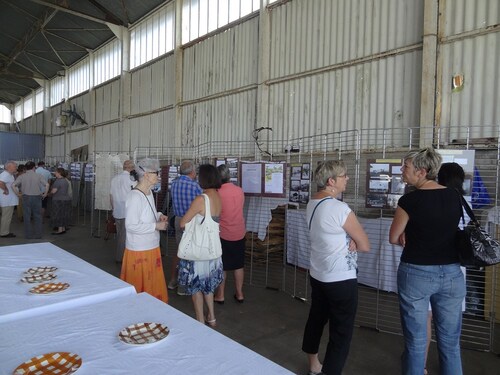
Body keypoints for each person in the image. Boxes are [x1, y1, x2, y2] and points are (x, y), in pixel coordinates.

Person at [389, 148, 465, 375]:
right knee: (451, 343)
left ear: (422, 172)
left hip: (417, 273)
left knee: (416, 341)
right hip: (452, 274)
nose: (402, 171)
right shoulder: (454, 195)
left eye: (406, 167)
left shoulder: (409, 200)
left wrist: (407, 234)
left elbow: (394, 237)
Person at [302, 160, 370, 375]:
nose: (347, 178)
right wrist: (352, 238)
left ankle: (314, 365)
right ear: (331, 181)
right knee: (341, 333)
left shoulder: (313, 203)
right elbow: (365, 245)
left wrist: (350, 237)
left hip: (318, 274)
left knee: (316, 318)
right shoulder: (339, 208)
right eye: (344, 175)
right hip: (340, 278)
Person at [422, 162, 468, 375]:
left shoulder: (430, 199)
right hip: (455, 269)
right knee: (450, 335)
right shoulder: (463, 202)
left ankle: (420, 366)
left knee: (424, 322)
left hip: (425, 266)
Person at [178, 164, 223, 327]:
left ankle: (200, 321)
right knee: (209, 287)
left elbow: (183, 222)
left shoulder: (201, 199)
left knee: (196, 287)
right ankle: (211, 316)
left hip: (198, 252)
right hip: (213, 250)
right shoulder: (217, 197)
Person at [120, 158, 169, 303]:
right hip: (140, 251)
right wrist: (155, 226)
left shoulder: (147, 193)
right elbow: (131, 225)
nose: (158, 176)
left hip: (151, 247)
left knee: (151, 288)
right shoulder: (135, 196)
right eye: (156, 173)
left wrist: (159, 216)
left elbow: (148, 214)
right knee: (140, 291)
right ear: (146, 174)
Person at [214, 164, 246, 304]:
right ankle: (239, 293)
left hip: (223, 233)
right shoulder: (239, 190)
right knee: (239, 265)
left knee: (223, 265)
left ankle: (220, 295)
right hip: (239, 231)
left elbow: (216, 214)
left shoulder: (217, 193)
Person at [169, 160, 202, 295]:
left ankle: (173, 280)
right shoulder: (195, 186)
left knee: (180, 251)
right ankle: (184, 286)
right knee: (190, 254)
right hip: (192, 222)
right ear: (192, 172)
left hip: (178, 220)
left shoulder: (174, 184)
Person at [12, 161, 49, 239]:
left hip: (26, 197)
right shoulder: (39, 175)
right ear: (34, 167)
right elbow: (47, 184)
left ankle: (28, 235)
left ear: (26, 168)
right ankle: (38, 234)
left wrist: (18, 194)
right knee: (38, 216)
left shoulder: (22, 176)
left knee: (27, 216)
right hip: (37, 197)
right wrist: (45, 193)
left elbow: (13, 185)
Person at [110, 160, 137, 262]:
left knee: (120, 234)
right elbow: (135, 195)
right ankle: (121, 258)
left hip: (117, 210)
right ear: (131, 168)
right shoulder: (132, 179)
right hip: (128, 211)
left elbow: (111, 196)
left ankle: (120, 256)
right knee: (125, 237)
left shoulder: (114, 179)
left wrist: (113, 209)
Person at [50, 168, 72, 235]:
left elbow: (54, 191)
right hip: (66, 199)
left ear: (59, 173)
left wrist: (49, 193)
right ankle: (63, 229)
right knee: (63, 214)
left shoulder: (58, 181)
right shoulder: (65, 180)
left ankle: (60, 230)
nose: (55, 173)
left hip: (58, 200)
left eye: (56, 172)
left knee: (58, 214)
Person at [0, 161, 19, 238]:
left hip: (8, 200)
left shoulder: (9, 174)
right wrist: (6, 190)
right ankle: (4, 233)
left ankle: (4, 231)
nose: (16, 168)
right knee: (6, 217)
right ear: (9, 167)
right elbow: (1, 183)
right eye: (15, 166)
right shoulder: (6, 174)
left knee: (6, 216)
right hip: (7, 200)